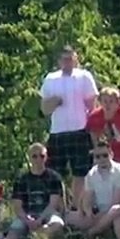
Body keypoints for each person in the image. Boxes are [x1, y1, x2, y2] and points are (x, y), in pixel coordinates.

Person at [39, 45, 99, 203]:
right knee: (55, 172)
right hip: (57, 132)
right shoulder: (51, 78)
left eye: (70, 58)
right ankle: (60, 206)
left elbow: (93, 106)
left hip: (80, 130)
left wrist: (95, 132)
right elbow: (44, 109)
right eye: (64, 59)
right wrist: (54, 101)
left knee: (80, 173)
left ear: (76, 59)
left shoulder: (84, 76)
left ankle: (76, 207)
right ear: (59, 61)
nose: (67, 62)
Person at [5, 143, 66, 239]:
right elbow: (17, 207)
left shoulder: (54, 177)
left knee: (57, 224)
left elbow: (53, 204)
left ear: (46, 157)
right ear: (29, 157)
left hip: (47, 213)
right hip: (26, 215)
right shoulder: (21, 179)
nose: (38, 159)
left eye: (41, 156)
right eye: (34, 156)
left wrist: (39, 220)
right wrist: (28, 220)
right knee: (12, 235)